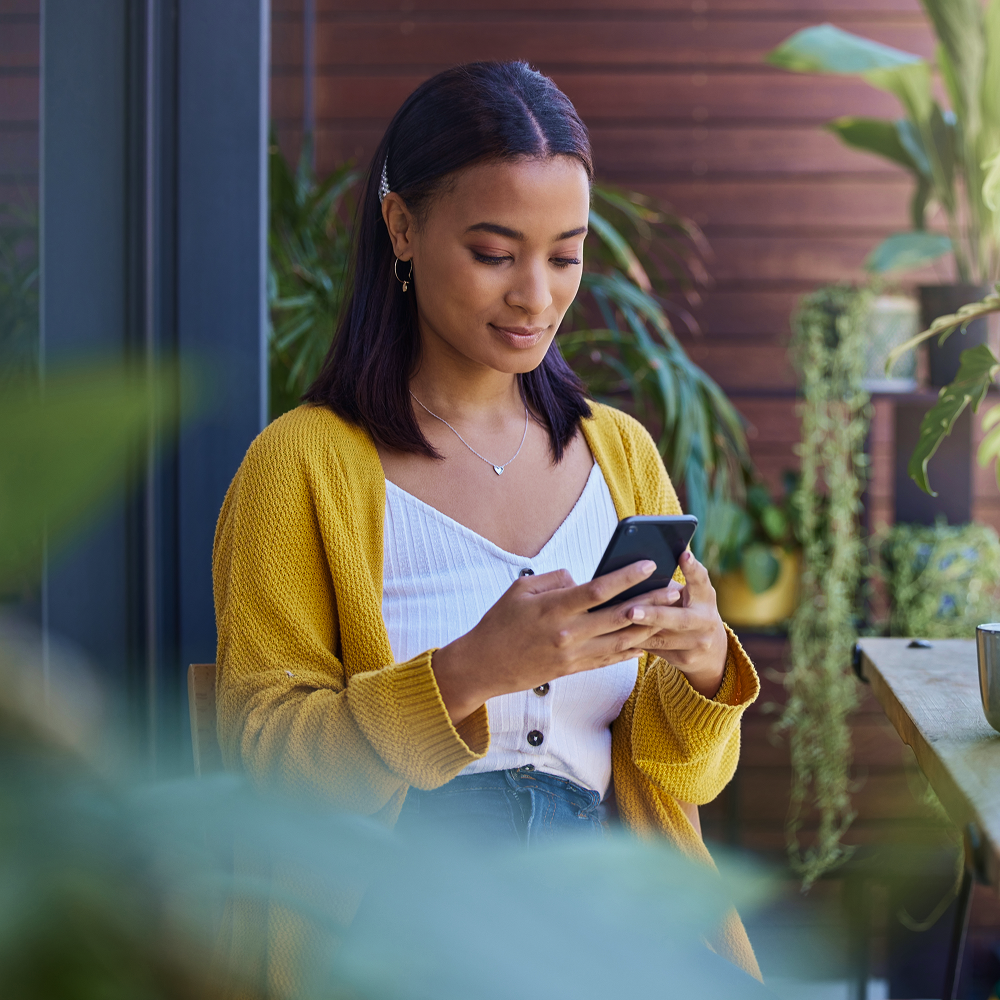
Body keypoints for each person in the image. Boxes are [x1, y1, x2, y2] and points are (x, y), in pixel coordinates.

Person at [213, 60, 762, 988]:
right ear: (403, 227)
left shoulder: (619, 453)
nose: (536, 297)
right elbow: (272, 774)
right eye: (495, 253)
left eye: (565, 254)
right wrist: (472, 671)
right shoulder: (299, 467)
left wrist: (702, 665)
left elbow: (689, 781)